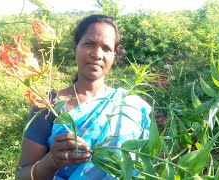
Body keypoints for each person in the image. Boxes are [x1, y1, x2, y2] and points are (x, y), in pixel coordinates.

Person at [15, 14, 151, 180]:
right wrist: (50, 161)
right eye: (89, 44)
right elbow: (22, 176)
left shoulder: (132, 105)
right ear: (75, 49)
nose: (97, 54)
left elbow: (150, 164)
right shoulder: (48, 104)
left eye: (106, 48)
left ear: (114, 56)